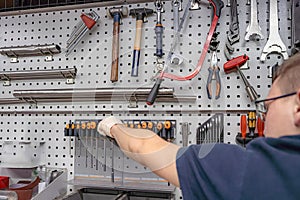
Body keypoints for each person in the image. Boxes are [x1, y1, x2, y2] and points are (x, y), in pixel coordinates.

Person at [97, 52, 300, 200]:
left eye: (268, 106)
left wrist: (112, 126)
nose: (263, 117)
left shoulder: (241, 170)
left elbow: (142, 146)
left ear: (298, 106)